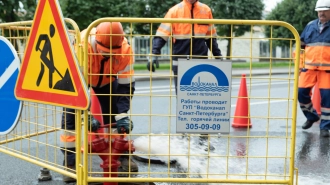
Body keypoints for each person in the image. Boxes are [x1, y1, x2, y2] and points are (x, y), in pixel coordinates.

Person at [60, 22, 136, 183]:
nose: (108, 55)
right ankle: (70, 164)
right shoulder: (82, 45)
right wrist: (85, 115)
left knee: (116, 118)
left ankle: (122, 158)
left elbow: (126, 85)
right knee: (70, 119)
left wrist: (123, 113)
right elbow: (76, 86)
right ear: (97, 42)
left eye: (112, 53)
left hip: (107, 81)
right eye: (104, 52)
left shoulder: (125, 50)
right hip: (80, 81)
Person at [147, 0, 223, 150]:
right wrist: (154, 53)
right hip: (181, 62)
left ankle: (203, 138)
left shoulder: (205, 10)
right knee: (184, 101)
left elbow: (211, 38)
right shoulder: (175, 11)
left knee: (203, 100)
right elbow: (162, 35)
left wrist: (218, 56)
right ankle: (184, 138)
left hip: (200, 62)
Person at [298, 0, 330, 137]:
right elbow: (301, 48)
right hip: (309, 68)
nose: (321, 13)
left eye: (324, 10)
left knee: (327, 99)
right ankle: (311, 116)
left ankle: (325, 127)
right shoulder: (310, 26)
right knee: (301, 93)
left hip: (327, 71)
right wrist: (300, 65)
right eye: (319, 10)